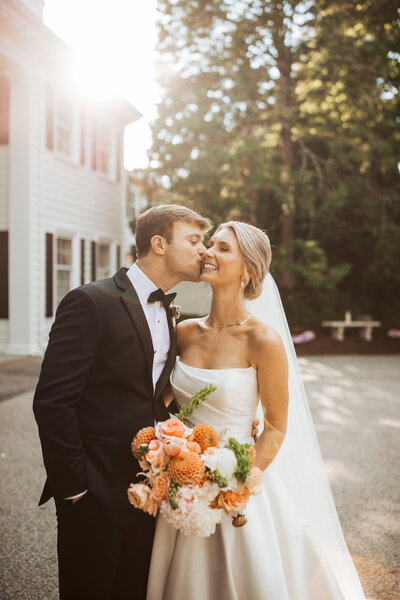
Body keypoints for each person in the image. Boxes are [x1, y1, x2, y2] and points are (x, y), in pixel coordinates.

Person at [147, 221, 367, 600]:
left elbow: (276, 428)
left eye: (222, 248)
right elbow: (160, 403)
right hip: (182, 482)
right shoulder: (182, 331)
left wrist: (234, 482)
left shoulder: (264, 341)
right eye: (209, 244)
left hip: (236, 483)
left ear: (247, 270)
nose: (208, 253)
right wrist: (165, 451)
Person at [33, 204, 212, 600]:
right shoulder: (90, 301)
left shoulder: (168, 311)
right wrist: (74, 489)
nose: (205, 250)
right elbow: (52, 401)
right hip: (92, 492)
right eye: (195, 240)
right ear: (159, 243)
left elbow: (152, 395)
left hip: (148, 489)